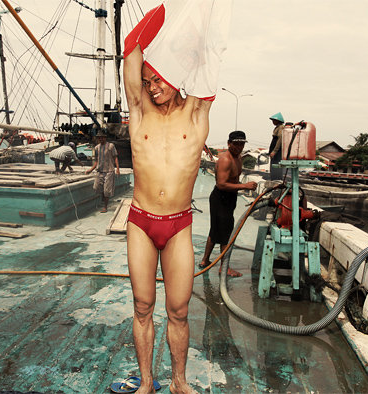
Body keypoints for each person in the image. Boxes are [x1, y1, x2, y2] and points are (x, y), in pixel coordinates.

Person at [122, 1, 232, 392]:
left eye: (160, 79)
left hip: (178, 225)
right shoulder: (139, 112)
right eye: (149, 80)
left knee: (179, 310)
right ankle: (147, 382)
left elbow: (212, 53)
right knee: (142, 307)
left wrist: (205, 15)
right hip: (141, 221)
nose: (153, 87)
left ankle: (178, 381)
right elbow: (131, 48)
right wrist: (165, 13)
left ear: (177, 76)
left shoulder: (197, 115)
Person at [199, 130, 258, 277]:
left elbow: (233, 179)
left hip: (229, 198)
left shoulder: (238, 158)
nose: (239, 147)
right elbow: (221, 184)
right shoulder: (226, 159)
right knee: (225, 233)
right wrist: (245, 186)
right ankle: (224, 268)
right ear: (228, 143)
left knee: (216, 230)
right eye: (236, 144)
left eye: (241, 144)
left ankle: (205, 260)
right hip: (221, 198)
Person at [85, 130, 120, 213]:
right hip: (100, 171)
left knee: (107, 190)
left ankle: (105, 206)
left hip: (109, 171)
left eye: (102, 137)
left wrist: (117, 169)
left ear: (105, 138)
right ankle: (103, 199)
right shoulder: (97, 148)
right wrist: (91, 170)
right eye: (99, 137)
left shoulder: (111, 146)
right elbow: (97, 160)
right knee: (96, 187)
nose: (100, 139)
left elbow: (115, 157)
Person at [268, 112, 285, 181]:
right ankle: (274, 180)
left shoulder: (281, 127)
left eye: (274, 120)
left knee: (276, 168)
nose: (273, 122)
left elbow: (280, 140)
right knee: (273, 168)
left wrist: (274, 151)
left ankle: (277, 181)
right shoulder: (277, 128)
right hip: (275, 153)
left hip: (277, 153)